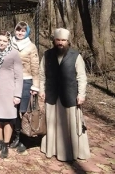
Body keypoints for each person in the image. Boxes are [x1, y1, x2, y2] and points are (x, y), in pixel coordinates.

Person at [39, 28, 90, 161]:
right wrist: (41, 90)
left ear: (68, 41)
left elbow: (81, 77)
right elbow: (41, 74)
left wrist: (81, 94)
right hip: (52, 95)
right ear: (54, 40)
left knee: (71, 126)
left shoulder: (76, 55)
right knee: (51, 124)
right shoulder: (47, 55)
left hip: (69, 96)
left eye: (63, 40)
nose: (60, 42)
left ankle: (70, 151)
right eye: (58, 40)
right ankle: (51, 149)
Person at [0, 30, 23, 159]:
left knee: (7, 119)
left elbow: (19, 76)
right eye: (0, 40)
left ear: (9, 42)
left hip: (9, 91)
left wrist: (17, 94)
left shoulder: (14, 54)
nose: (2, 43)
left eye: (5, 41)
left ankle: (6, 145)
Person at [10, 21, 39, 152]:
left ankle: (24, 139)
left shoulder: (31, 46)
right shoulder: (10, 43)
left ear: (27, 32)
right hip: (11, 81)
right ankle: (16, 136)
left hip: (26, 81)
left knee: (24, 111)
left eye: (23, 31)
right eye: (18, 30)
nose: (20, 33)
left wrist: (35, 85)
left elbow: (35, 67)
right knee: (14, 111)